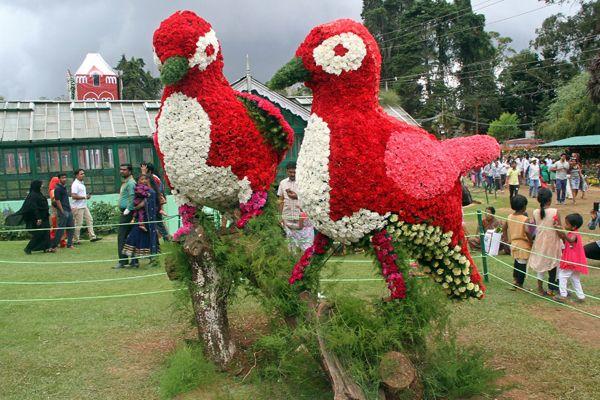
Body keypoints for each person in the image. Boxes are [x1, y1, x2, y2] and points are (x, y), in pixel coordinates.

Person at [527, 188, 561, 296]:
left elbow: (535, 226)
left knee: (540, 263)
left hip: (540, 241)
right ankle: (551, 288)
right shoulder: (554, 211)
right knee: (553, 264)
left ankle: (540, 287)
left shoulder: (535, 212)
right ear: (550, 200)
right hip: (552, 241)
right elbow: (559, 228)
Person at [122, 174, 160, 267]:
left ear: (148, 180)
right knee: (133, 238)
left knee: (148, 239)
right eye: (141, 179)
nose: (143, 181)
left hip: (148, 220)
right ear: (138, 181)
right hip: (139, 219)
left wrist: (138, 206)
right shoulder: (139, 189)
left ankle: (153, 260)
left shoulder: (151, 191)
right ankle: (134, 261)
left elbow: (149, 203)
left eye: (145, 179)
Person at [6, 180, 53, 254]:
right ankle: (28, 248)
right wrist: (38, 218)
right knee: (39, 233)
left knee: (46, 233)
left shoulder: (39, 194)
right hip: (38, 218)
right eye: (41, 185)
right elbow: (33, 208)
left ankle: (46, 247)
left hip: (44, 217)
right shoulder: (33, 195)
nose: (42, 187)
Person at [277, 162, 314, 251]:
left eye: (295, 172)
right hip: (288, 218)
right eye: (290, 172)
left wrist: (297, 197)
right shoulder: (283, 183)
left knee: (306, 248)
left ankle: (306, 263)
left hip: (302, 220)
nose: (293, 174)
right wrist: (280, 216)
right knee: (290, 248)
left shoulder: (304, 183)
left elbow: (310, 199)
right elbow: (280, 200)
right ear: (287, 172)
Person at [553, 213, 588, 302]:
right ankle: (581, 296)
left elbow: (571, 240)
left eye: (567, 224)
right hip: (575, 260)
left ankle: (563, 295)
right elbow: (564, 240)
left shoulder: (574, 234)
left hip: (571, 260)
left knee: (562, 276)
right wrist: (557, 229)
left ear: (574, 226)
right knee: (575, 278)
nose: (565, 225)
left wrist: (564, 234)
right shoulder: (571, 233)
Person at [502, 194, 533, 289]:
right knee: (522, 265)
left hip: (514, 243)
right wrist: (531, 241)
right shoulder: (525, 219)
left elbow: (504, 227)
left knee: (517, 262)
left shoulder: (509, 216)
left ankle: (515, 280)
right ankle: (519, 283)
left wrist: (506, 239)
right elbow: (527, 231)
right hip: (523, 244)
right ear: (524, 206)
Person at [141, 162, 170, 241]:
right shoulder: (151, 177)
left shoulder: (153, 178)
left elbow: (156, 191)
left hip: (155, 204)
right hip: (152, 203)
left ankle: (166, 238)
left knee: (158, 222)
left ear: (149, 171)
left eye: (144, 169)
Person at [115, 164, 136, 269]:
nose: (122, 171)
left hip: (128, 213)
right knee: (130, 236)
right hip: (126, 211)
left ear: (130, 171)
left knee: (122, 236)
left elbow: (132, 196)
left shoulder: (131, 183)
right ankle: (133, 261)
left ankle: (123, 261)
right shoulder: (126, 182)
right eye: (121, 169)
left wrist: (128, 209)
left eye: (124, 170)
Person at [71, 169, 101, 244]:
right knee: (78, 223)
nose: (83, 175)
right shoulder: (75, 184)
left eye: (83, 173)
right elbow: (73, 196)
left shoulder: (81, 183)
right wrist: (84, 197)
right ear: (77, 175)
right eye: (81, 174)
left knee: (90, 220)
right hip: (78, 207)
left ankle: (92, 237)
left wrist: (86, 196)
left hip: (84, 205)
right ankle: (75, 240)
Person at [51, 173, 75, 250]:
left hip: (68, 210)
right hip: (63, 211)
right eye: (62, 178)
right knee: (61, 229)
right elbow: (57, 201)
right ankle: (54, 246)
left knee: (71, 228)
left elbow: (65, 200)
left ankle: (69, 244)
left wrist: (70, 209)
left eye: (65, 178)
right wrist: (62, 211)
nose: (64, 179)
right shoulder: (57, 188)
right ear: (59, 179)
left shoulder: (64, 187)